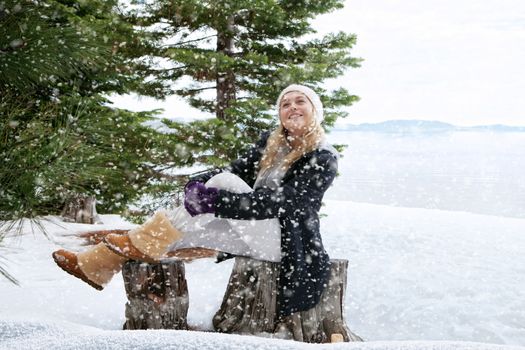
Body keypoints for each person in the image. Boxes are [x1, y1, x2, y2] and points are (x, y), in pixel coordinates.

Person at [52, 84, 339, 317]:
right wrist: (198, 182)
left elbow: (282, 202)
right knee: (182, 234)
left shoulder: (322, 156)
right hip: (258, 234)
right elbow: (235, 170)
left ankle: (122, 249)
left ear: (315, 111)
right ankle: (97, 266)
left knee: (220, 186)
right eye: (285, 103)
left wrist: (214, 197)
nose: (292, 107)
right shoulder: (271, 143)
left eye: (300, 101)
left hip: (287, 245)